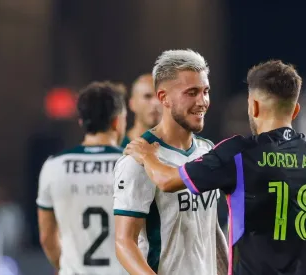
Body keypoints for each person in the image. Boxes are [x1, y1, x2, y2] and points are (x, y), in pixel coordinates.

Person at [126, 60, 306, 275]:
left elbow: (166, 181)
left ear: (253, 106)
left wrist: (148, 156)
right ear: (295, 111)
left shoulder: (238, 154)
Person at [113, 49, 228, 275]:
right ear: (163, 97)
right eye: (191, 92)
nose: (202, 101)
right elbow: (124, 242)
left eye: (205, 91)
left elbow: (212, 229)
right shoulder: (137, 161)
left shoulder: (207, 150)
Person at [37, 82, 128, 275]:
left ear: (81, 121)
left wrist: (65, 267)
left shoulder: (54, 166)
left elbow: (47, 237)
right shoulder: (132, 165)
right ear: (116, 121)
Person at [121, 74, 162, 147]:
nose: (156, 102)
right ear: (132, 104)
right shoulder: (118, 146)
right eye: (147, 96)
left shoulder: (180, 147)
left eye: (160, 97)